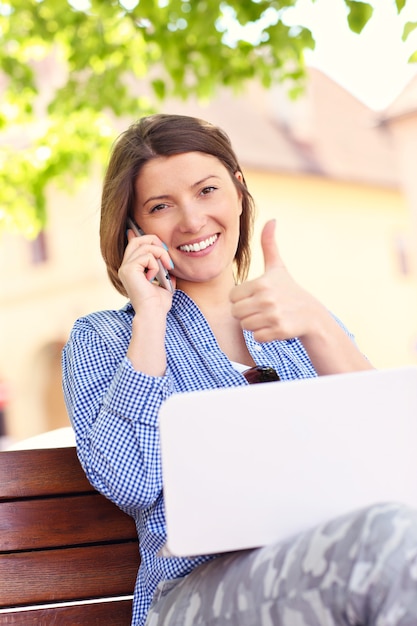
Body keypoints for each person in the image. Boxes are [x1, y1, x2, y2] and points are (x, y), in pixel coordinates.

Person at [62, 114, 417, 626]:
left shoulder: (294, 314)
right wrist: (151, 318)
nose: (191, 220)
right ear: (134, 229)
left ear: (239, 190)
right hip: (195, 597)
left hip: (332, 568)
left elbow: (394, 447)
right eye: (161, 206)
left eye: (207, 190)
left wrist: (317, 323)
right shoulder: (107, 338)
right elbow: (130, 480)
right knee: (390, 542)